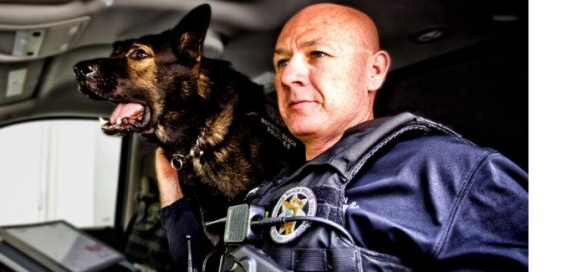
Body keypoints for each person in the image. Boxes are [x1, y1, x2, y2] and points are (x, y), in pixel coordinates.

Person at [155, 3, 528, 271]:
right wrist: (171, 184)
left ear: (374, 71)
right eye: (282, 62)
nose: (287, 77)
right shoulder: (272, 188)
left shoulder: (451, 171)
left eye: (317, 53)